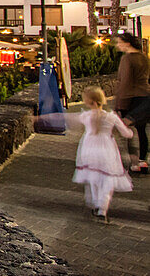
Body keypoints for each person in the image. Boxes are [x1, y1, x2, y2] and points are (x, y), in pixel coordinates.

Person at [38, 86, 133, 222]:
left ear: (89, 102)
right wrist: (131, 132)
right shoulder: (111, 117)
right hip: (107, 150)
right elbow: (126, 133)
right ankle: (102, 208)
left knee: (92, 177)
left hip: (89, 150)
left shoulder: (86, 116)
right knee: (107, 179)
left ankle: (95, 202)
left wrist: (39, 118)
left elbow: (63, 117)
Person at [114, 32, 150, 174]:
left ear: (127, 43)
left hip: (129, 98)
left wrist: (119, 103)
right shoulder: (143, 57)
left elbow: (125, 82)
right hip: (144, 96)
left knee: (127, 131)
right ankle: (143, 160)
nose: (118, 45)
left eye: (119, 42)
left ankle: (134, 163)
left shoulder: (127, 59)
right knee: (142, 130)